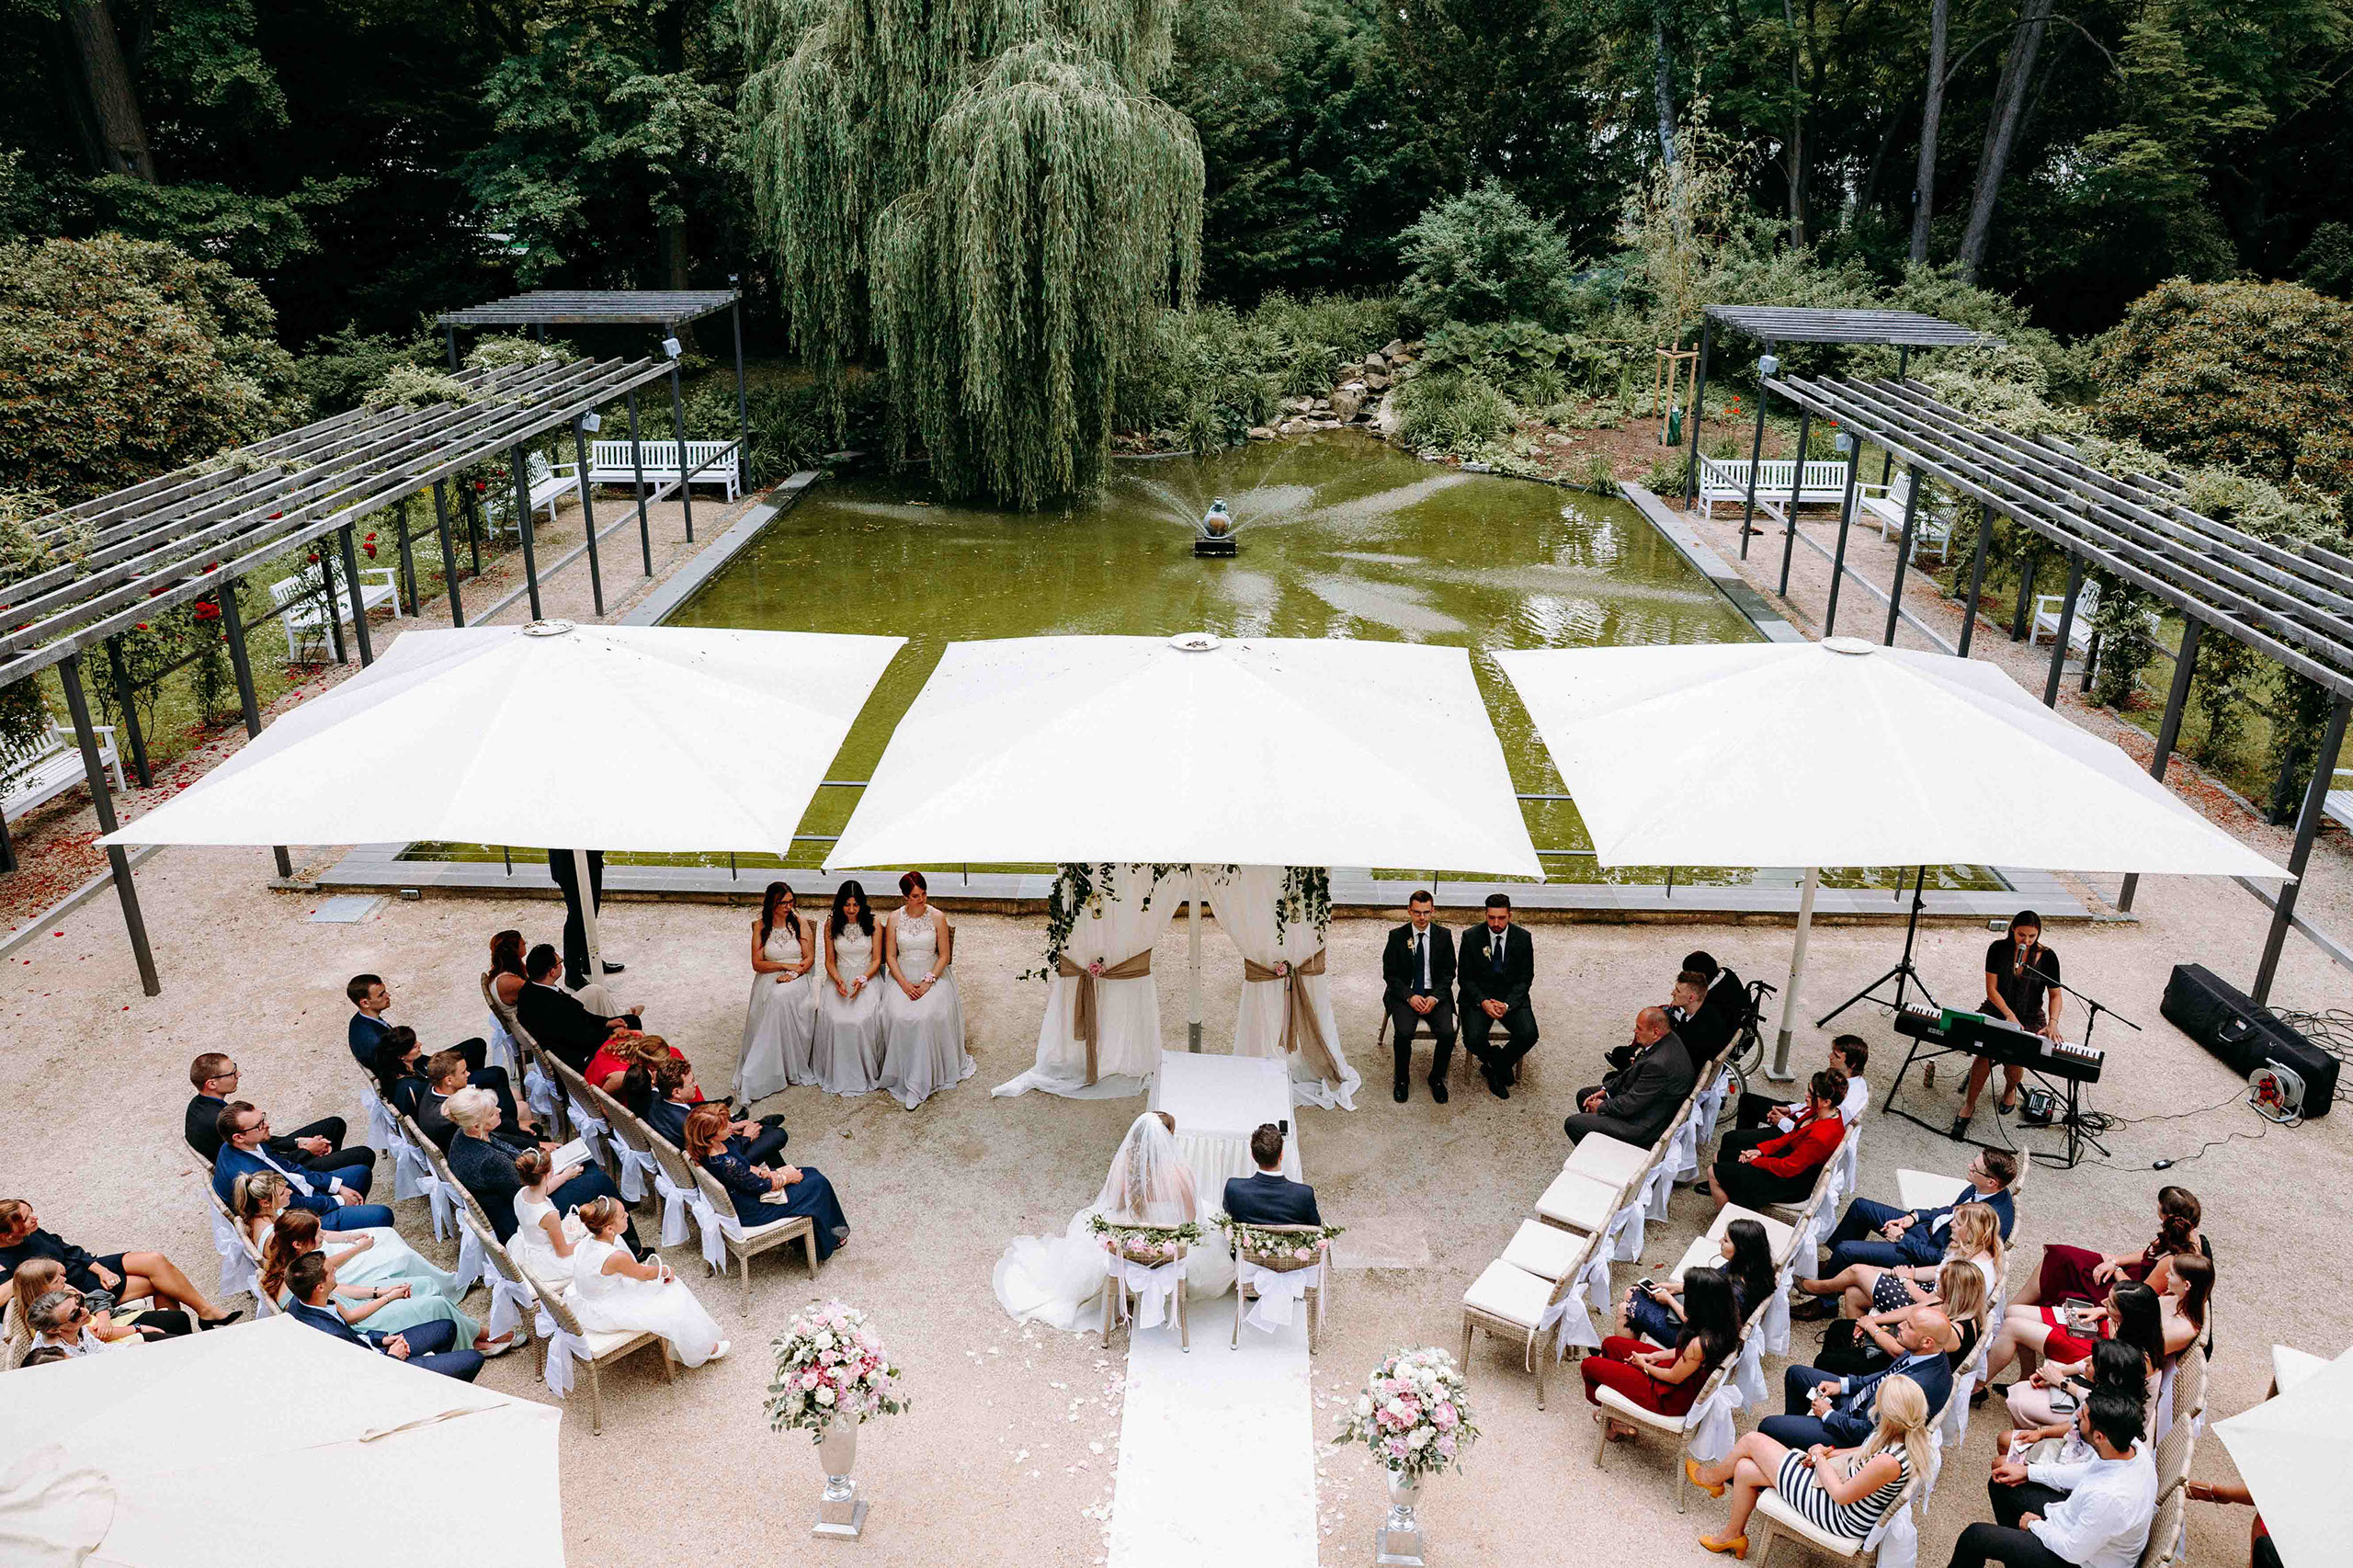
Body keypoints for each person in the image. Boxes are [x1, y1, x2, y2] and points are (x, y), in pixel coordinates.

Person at [994, 1111, 1209, 1330]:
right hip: (1168, 1250)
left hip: (1129, 1247)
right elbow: (1190, 1220)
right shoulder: (1182, 1174)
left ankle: (1127, 1280)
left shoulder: (1128, 1170)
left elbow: (1114, 1205)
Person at [1690, 1372, 1929, 1560]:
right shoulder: (1900, 1436)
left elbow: (1841, 1496)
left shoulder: (1889, 1461)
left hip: (1839, 1515)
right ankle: (1733, 1535)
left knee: (1752, 1441)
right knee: (1744, 1468)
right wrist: (1828, 1451)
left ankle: (1712, 1479)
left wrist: (1819, 1459)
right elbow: (1863, 1450)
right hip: (1840, 1489)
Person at [258, 1207, 509, 1356]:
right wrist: (388, 1297)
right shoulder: (299, 1278)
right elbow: (348, 1317)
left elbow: (340, 1288)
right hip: (360, 1322)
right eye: (318, 1233)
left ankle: (468, 1333)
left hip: (352, 1304)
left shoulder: (299, 1264)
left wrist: (379, 1290)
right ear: (298, 1243)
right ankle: (481, 1337)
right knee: (436, 1305)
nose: (324, 1235)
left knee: (426, 1284)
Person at [1952, 1391, 2154, 1568]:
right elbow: (2085, 1471)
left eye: (2083, 1417)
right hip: (2075, 1525)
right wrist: (2027, 1472)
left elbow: (2073, 1551)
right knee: (2002, 1482)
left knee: (1976, 1536)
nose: (2076, 1417)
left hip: (2080, 1561)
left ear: (2099, 1436)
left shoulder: (2110, 1497)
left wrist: (2035, 1526)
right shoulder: (2129, 1446)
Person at [443, 1086, 642, 1256]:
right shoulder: (489, 1161)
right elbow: (531, 1195)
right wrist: (564, 1176)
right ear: (477, 1124)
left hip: (519, 1193)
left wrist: (542, 1151)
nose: (499, 1110)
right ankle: (632, 1247)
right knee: (600, 1182)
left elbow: (509, 1149)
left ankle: (615, 1218)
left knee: (588, 1165)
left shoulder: (464, 1134)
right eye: (492, 1113)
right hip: (522, 1218)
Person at [233, 1172, 466, 1312]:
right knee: (400, 1257)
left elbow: (316, 1232)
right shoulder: (271, 1238)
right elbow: (311, 1269)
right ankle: (450, 1287)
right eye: (283, 1192)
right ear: (265, 1202)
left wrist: (349, 1237)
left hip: (320, 1250)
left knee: (385, 1234)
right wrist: (357, 1250)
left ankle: (439, 1282)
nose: (290, 1194)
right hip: (325, 1268)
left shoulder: (272, 1212)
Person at [0, 1199, 237, 1328]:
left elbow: (66, 1249)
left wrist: (100, 1268)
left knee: (155, 1260)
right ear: (7, 1235)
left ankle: (205, 1312)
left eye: (31, 1212)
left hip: (84, 1266)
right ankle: (175, 1332)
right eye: (27, 1218)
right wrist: (23, 1275)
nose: (35, 1218)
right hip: (76, 1286)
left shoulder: (30, 1231)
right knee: (161, 1284)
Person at [1762, 1309, 1956, 1451]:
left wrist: (1828, 1415)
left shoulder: (1917, 1386)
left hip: (1853, 1432)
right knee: (1796, 1374)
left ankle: (1789, 1445)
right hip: (1861, 1403)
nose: (1900, 1326)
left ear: (1927, 1342)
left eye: (1909, 1326)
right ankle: (1794, 1438)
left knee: (1768, 1425)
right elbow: (1882, 1376)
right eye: (1906, 1321)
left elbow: (1869, 1433)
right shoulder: (1926, 1352)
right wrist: (1843, 1385)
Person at [568, 1196, 727, 1367]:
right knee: (674, 1292)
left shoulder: (586, 1241)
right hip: (605, 1310)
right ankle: (703, 1349)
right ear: (609, 1229)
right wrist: (665, 1270)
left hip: (587, 1300)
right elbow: (643, 1274)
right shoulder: (615, 1257)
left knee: (660, 1290)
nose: (627, 1215)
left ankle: (699, 1342)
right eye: (622, 1215)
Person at [285, 1252, 483, 1382]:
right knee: (473, 1358)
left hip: (374, 1348)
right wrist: (393, 1356)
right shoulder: (329, 1335)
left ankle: (438, 1384)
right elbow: (362, 1377)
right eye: (330, 1271)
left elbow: (354, 1336)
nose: (335, 1270)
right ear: (319, 1287)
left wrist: (382, 1339)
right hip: (384, 1369)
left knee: (447, 1328)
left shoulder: (302, 1300)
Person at [685, 1104, 849, 1261]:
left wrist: (766, 1172)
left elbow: (745, 1168)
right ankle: (827, 1241)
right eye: (724, 1126)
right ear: (711, 1137)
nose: (730, 1125)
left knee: (811, 1174)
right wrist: (787, 1177)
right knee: (817, 1184)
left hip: (746, 1193)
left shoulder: (711, 1149)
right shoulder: (726, 1164)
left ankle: (810, 1239)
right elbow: (762, 1186)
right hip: (755, 1208)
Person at [1586, 1266, 1740, 1432]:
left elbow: (1673, 1377)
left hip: (1669, 1395)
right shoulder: (1720, 1322)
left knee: (1589, 1365)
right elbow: (1685, 1355)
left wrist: (1644, 1366)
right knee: (1611, 1344)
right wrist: (1655, 1356)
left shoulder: (1700, 1343)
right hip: (1679, 1369)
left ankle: (1614, 1418)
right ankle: (1618, 1399)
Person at [1799, 1199, 2006, 1324]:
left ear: (1971, 1231)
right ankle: (1857, 1343)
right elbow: (1938, 1269)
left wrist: (1907, 1281)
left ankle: (1815, 1288)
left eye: (1957, 1223)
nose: (1951, 1224)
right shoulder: (1973, 1248)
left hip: (1926, 1310)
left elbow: (1931, 1303)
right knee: (1853, 1293)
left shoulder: (1970, 1270)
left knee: (1857, 1271)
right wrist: (1903, 1273)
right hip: (1926, 1290)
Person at [1821, 1149, 2019, 1275]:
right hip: (1927, 1229)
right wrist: (1914, 1217)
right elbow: (1950, 1210)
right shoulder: (1981, 1187)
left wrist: (1901, 1239)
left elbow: (1944, 1259)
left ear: (1991, 1182)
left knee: (1846, 1249)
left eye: (1975, 1168)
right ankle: (1834, 1267)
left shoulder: (1986, 1220)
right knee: (1860, 1207)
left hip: (1923, 1254)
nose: (1970, 1167)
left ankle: (1826, 1302)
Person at [1956, 911, 2063, 1138]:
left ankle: (2009, 1089)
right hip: (1998, 1009)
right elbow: (1991, 989)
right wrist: (2008, 1015)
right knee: (1984, 1054)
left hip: (2029, 1015)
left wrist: (2053, 1023)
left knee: (2015, 1058)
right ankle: (1969, 1105)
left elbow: (2055, 995)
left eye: (2032, 936)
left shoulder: (2048, 957)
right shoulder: (1997, 949)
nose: (2026, 941)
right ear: (2013, 929)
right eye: (2021, 935)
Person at [184, 1053, 372, 1177]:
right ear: (212, 1084)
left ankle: (326, 1166)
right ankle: (321, 1178)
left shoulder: (199, 1105)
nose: (239, 1074)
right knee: (363, 1155)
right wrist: (307, 1150)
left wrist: (299, 1142)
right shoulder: (218, 1121)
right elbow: (268, 1161)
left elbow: (263, 1141)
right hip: (272, 1172)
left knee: (334, 1125)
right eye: (232, 1073)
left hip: (264, 1153)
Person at [878, 870, 972, 1111]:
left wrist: (929, 980)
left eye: (923, 894)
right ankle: (903, 1074)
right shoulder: (894, 918)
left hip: (933, 976)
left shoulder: (938, 917)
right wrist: (903, 984)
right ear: (904, 897)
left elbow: (944, 956)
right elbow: (890, 957)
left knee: (924, 1017)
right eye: (915, 896)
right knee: (899, 1016)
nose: (920, 900)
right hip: (902, 977)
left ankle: (919, 1083)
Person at [211, 1104, 392, 1230]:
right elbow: (294, 1206)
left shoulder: (244, 1143)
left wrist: (336, 1186)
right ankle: (346, 1227)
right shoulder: (254, 1177)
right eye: (259, 1125)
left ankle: (352, 1219)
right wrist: (339, 1200)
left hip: (300, 1193)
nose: (267, 1125)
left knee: (361, 1173)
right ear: (238, 1137)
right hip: (299, 1219)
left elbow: (290, 1167)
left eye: (263, 1118)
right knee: (383, 1215)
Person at [2017, 1187, 2204, 1307]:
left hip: (2125, 1293)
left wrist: (2116, 1269)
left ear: (2166, 1215)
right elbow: (2149, 1254)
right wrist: (2115, 1260)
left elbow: (2141, 1295)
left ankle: (2015, 1308)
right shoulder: (2182, 1233)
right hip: (2128, 1274)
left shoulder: (2173, 1261)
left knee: (2061, 1263)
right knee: (2061, 1255)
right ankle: (2021, 1305)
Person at [1818, 1260, 1990, 1379]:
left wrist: (1871, 1327)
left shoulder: (1954, 1332)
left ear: (1954, 1292)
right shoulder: (1953, 1304)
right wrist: (1871, 1320)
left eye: (1942, 1283)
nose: (1936, 1284)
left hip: (1905, 1370)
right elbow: (1911, 1310)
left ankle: (1832, 1387)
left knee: (1826, 1361)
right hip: (1903, 1347)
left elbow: (1899, 1352)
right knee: (1839, 1328)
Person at [1998, 1338, 2155, 1465]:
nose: (2086, 1361)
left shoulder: (2109, 1417)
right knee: (2004, 1439)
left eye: (2094, 1362)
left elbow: (2078, 1470)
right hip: (2071, 1446)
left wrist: (2028, 1472)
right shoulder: (2105, 1396)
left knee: (2000, 1463)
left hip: (2072, 1463)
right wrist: (2041, 1433)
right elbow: (2074, 1424)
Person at [1707, 1070, 1846, 1212]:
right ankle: (1732, 1195)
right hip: (1788, 1159)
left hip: (1792, 1182)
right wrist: (1761, 1150)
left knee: (1713, 1172)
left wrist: (1756, 1161)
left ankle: (1728, 1218)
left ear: (1826, 1102)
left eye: (1811, 1093)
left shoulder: (1821, 1136)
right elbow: (1791, 1136)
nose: (1805, 1094)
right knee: (1719, 1157)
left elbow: (1788, 1167)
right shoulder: (1821, 1111)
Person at [1624, 1218, 1776, 1348]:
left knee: (1626, 1307)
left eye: (1726, 1240)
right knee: (1634, 1294)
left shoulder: (1734, 1292)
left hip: (1694, 1340)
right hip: (1709, 1325)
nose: (1720, 1241)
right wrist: (1676, 1287)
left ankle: (1624, 1355)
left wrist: (1669, 1299)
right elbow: (1710, 1288)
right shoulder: (1754, 1269)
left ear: (1740, 1249)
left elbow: (1695, 1321)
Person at [1566, 1006, 1697, 1146]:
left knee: (1574, 1124)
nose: (1635, 1031)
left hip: (1643, 1126)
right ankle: (1599, 1137)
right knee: (1584, 1095)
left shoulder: (1658, 1065)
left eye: (1639, 1028)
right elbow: (1631, 1073)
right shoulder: (1668, 1039)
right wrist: (1606, 1090)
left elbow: (1631, 1104)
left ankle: (1601, 1151)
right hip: (1647, 1104)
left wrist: (1601, 1106)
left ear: (1655, 1032)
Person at [738, 881, 818, 1103]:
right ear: (772, 903)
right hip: (769, 976)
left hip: (799, 977)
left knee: (779, 997)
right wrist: (783, 965)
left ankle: (782, 1061)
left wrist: (793, 972)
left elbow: (809, 958)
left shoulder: (800, 922)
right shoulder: (761, 926)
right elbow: (757, 964)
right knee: (774, 996)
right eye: (783, 903)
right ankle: (769, 1062)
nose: (788, 906)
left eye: (791, 901)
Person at [515, 943, 644, 1072]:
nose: (562, 965)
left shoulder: (528, 989)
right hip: (578, 1058)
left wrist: (607, 1022)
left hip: (568, 1043)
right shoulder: (554, 1006)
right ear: (552, 972)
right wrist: (612, 1033)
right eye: (560, 962)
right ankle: (636, 1070)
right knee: (633, 1024)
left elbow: (581, 1016)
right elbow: (582, 1037)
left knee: (630, 1020)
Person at [1456, 893, 1537, 1096]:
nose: (1496, 923)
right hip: (1478, 999)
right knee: (1473, 1038)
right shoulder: (1471, 937)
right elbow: (1465, 978)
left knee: (1529, 1034)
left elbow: (1525, 978)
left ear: (1510, 915)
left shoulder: (1523, 938)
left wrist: (1508, 1004)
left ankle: (1495, 1068)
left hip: (1510, 999)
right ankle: (1497, 1060)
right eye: (1491, 917)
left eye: (1501, 918)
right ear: (1485, 914)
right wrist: (1483, 1001)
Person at [1381, 891, 1457, 1103]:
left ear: (1433, 911)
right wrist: (1409, 997)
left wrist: (1435, 998)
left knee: (1447, 1033)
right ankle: (1402, 1080)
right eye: (1417, 912)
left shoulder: (1444, 936)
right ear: (1409, 911)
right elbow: (1390, 975)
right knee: (1404, 1032)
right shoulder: (1396, 936)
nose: (1422, 918)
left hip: (1435, 994)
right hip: (1406, 994)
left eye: (1426, 912)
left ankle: (1436, 1078)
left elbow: (1449, 973)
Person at [813, 881, 887, 1096]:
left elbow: (877, 960)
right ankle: (839, 1073)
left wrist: (863, 978)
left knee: (860, 1020)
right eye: (847, 905)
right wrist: (837, 980)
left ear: (862, 904)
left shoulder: (874, 922)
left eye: (856, 904)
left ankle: (863, 1071)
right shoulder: (831, 924)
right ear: (840, 904)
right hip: (839, 978)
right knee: (838, 1020)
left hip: (867, 978)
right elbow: (829, 961)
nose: (852, 910)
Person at [8, 1258, 189, 1345]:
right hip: (109, 1341)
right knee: (173, 1327)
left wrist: (103, 1318)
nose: (64, 1280)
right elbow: (92, 1336)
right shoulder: (45, 1316)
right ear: (42, 1288)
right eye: (57, 1280)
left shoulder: (62, 1291)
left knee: (177, 1318)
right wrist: (137, 1328)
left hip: (110, 1323)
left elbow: (95, 1299)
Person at [645, 1056, 788, 1163]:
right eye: (691, 1082)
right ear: (676, 1092)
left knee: (764, 1135)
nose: (695, 1084)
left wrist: (730, 1126)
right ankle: (762, 1126)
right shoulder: (690, 1124)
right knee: (778, 1135)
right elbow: (719, 1157)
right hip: (725, 1164)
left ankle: (761, 1128)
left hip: (709, 1146)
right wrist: (747, 1138)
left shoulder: (657, 1098)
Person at [346, 973, 489, 1076]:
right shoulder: (374, 1039)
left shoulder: (361, 1021)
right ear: (365, 1002)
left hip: (419, 1063)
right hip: (422, 1072)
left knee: (476, 1046)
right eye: (381, 994)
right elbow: (401, 1072)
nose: (388, 995)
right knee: (486, 1064)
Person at [1732, 1036, 1870, 1135]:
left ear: (1852, 1064)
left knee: (1731, 1138)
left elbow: (1815, 1133)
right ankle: (1745, 1147)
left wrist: (1782, 1121)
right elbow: (1814, 1105)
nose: (1829, 1057)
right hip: (1804, 1115)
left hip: (1799, 1134)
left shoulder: (1847, 1103)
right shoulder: (1846, 1079)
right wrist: (1790, 1109)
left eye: (1836, 1056)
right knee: (1747, 1100)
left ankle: (1744, 1150)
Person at [408, 1046, 533, 1150]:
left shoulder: (436, 1084)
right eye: (463, 1072)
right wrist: (515, 1126)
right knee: (524, 1108)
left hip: (473, 1130)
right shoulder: (448, 1116)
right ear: (449, 1080)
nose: (468, 1074)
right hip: (471, 1146)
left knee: (515, 1093)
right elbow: (488, 1133)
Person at [508, 1148, 587, 1290]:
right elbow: (563, 1252)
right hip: (545, 1261)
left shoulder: (520, 1194)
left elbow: (543, 1190)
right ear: (548, 1174)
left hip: (527, 1245)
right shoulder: (549, 1214)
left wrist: (565, 1176)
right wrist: (585, 1241)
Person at [547, 846, 624, 988]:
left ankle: (589, 962)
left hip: (589, 860)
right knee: (577, 919)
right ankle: (572, 974)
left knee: (590, 913)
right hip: (570, 864)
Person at [1222, 1123, 1322, 1226]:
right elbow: (1316, 1229)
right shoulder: (1304, 1195)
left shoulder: (1234, 1189)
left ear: (1253, 1156)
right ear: (1281, 1155)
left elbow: (1228, 1220)